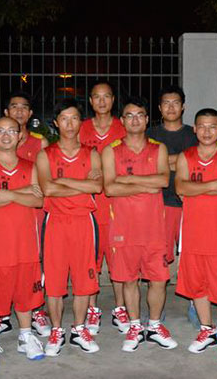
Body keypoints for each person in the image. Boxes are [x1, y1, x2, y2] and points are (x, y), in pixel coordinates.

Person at [101, 97, 177, 352]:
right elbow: (109, 188)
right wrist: (146, 183)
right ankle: (135, 326)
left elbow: (163, 181)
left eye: (139, 115)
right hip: (123, 229)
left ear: (146, 119)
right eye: (129, 115)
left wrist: (126, 180)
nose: (135, 120)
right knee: (129, 280)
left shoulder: (158, 149)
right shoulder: (111, 150)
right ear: (122, 121)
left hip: (154, 229)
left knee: (158, 280)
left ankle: (154, 325)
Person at [0, 116, 46, 368]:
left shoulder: (30, 166)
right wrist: (22, 192)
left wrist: (6, 194)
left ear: (20, 136)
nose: (6, 136)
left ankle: (26, 336)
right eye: (0, 131)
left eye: (12, 131)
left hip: (26, 242)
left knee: (26, 289)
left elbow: (39, 200)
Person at [37, 99, 102, 356]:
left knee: (84, 281)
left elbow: (97, 186)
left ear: (80, 122)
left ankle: (79, 329)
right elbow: (47, 188)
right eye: (64, 118)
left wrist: (62, 181)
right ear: (56, 122)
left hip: (83, 222)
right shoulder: (46, 154)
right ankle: (56, 330)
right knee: (54, 282)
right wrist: (80, 183)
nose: (69, 123)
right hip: (55, 223)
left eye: (74, 118)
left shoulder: (91, 153)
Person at [175, 108, 217, 364]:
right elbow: (180, 187)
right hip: (192, 235)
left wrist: (194, 189)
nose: (207, 131)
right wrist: (213, 185)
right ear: (194, 129)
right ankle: (207, 330)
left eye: (212, 126)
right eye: (202, 126)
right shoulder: (186, 156)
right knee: (197, 287)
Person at [0, 91, 51, 338]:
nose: (19, 111)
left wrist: (11, 193)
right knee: (2, 266)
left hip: (32, 215)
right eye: (14, 107)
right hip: (2, 217)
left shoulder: (40, 143)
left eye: (24, 107)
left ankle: (36, 311)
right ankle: (1, 314)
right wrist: (22, 191)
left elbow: (41, 187)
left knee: (33, 264)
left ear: (30, 113)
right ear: (6, 112)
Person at [79, 81, 129, 335]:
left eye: (106, 96)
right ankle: (92, 309)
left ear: (113, 100)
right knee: (91, 262)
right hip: (90, 206)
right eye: (96, 97)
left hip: (117, 206)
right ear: (90, 101)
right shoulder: (81, 128)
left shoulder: (123, 127)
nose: (101, 101)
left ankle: (120, 308)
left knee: (119, 263)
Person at [146, 86, 198, 326]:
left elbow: (197, 162)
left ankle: (196, 306)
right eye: (166, 103)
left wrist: (162, 163)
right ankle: (157, 311)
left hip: (190, 204)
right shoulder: (149, 134)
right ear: (159, 108)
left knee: (192, 257)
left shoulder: (193, 134)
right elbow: (146, 165)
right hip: (159, 204)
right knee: (158, 260)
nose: (170, 107)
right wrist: (180, 161)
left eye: (175, 102)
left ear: (183, 106)